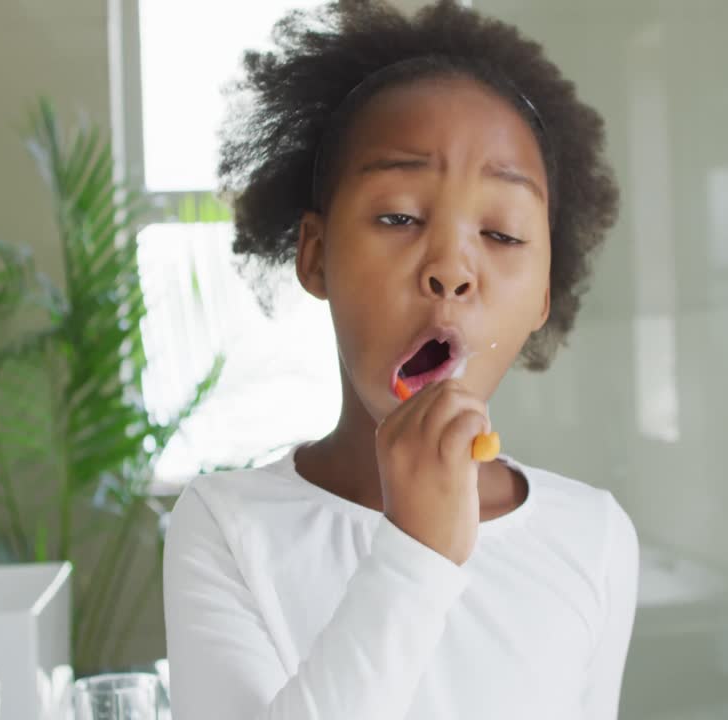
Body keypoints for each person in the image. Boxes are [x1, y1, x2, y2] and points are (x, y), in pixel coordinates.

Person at [163, 1, 637, 717]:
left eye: (502, 235)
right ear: (317, 257)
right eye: (400, 218)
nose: (451, 268)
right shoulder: (226, 527)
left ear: (543, 293)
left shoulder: (593, 537)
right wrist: (417, 553)